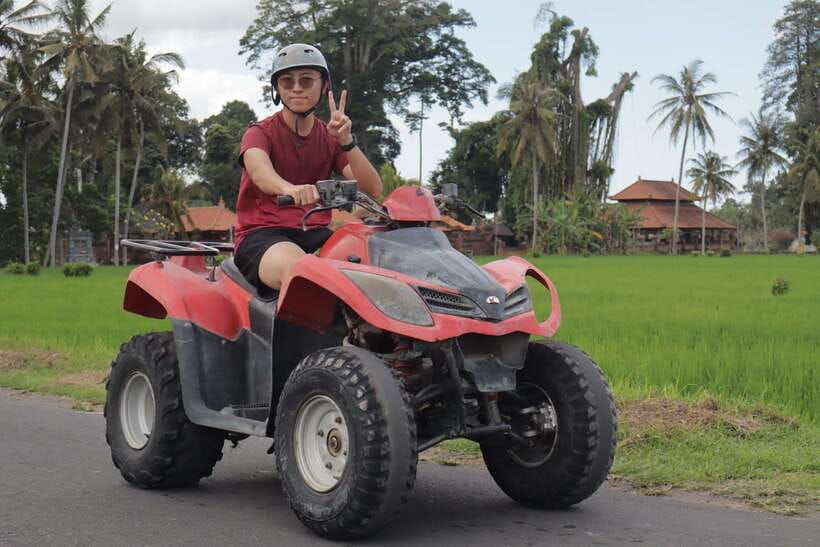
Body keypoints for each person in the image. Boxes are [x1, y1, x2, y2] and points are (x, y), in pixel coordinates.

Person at [233, 43, 382, 296]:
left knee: (375, 267)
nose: (297, 88)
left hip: (315, 233)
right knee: (303, 271)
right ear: (277, 89)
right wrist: (289, 189)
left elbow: (372, 189)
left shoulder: (330, 137)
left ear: (324, 86)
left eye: (306, 80)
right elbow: (260, 173)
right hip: (262, 236)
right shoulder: (259, 133)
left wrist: (346, 141)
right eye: (287, 82)